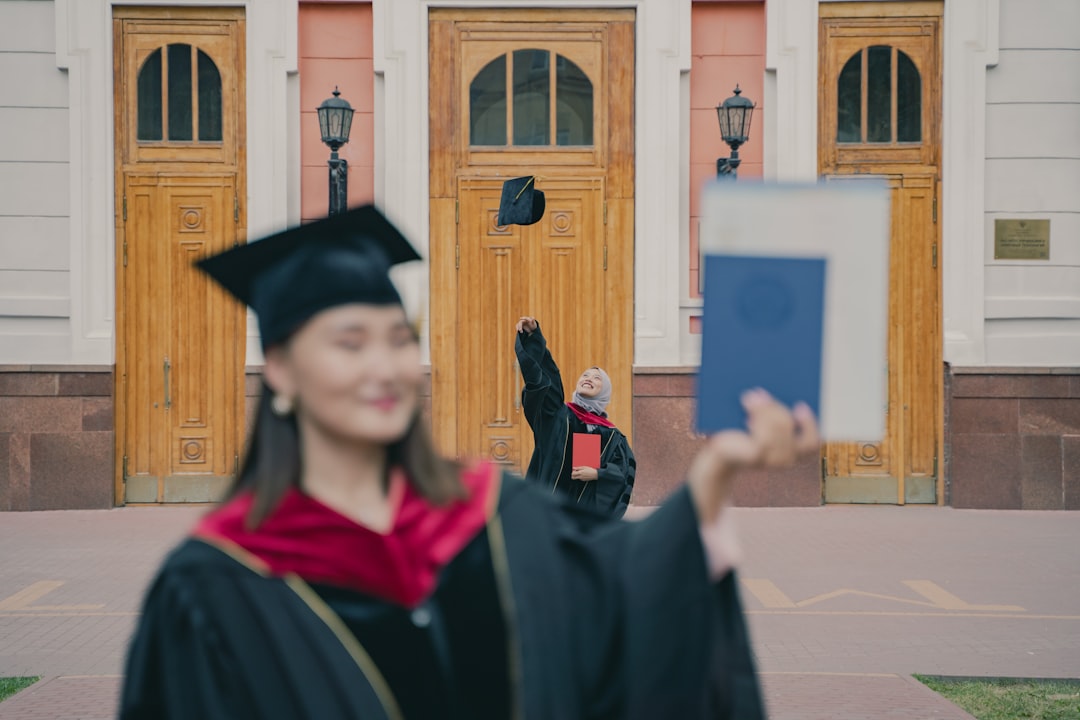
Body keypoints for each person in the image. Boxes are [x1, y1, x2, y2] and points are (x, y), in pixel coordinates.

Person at [119, 204, 819, 720]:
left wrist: (717, 472)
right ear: (279, 369)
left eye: (398, 340)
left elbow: (621, 590)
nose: (385, 366)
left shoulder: (487, 512)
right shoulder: (212, 587)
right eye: (349, 342)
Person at [514, 316, 635, 518]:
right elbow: (547, 378)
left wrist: (598, 473)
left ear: (604, 391)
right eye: (585, 375)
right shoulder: (558, 415)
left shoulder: (613, 436)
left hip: (582, 515)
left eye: (597, 378)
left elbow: (622, 474)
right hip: (546, 508)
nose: (589, 379)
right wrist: (534, 337)